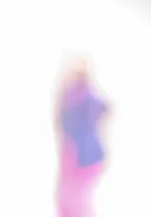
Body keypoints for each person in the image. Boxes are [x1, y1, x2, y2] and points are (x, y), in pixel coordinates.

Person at [55, 59, 111, 217]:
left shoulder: (83, 96)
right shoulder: (72, 96)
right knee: (72, 197)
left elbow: (105, 108)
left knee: (76, 198)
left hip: (84, 156)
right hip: (76, 154)